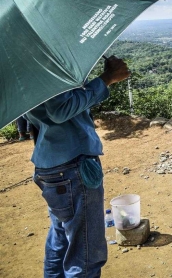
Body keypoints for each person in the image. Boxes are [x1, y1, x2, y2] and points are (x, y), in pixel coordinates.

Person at [24, 56, 130, 277]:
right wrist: (106, 78)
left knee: (61, 238)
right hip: (71, 166)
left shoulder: (22, 68)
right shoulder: (44, 63)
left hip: (51, 163)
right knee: (86, 253)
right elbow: (60, 109)